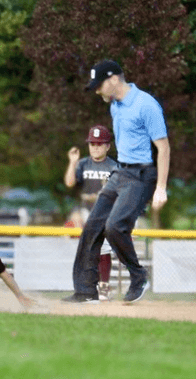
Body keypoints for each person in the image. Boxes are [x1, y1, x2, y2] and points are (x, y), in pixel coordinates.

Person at [62, 60, 169, 304]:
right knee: (91, 227)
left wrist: (160, 188)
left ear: (113, 80)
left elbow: (163, 149)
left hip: (142, 175)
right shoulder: (115, 105)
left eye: (99, 86)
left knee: (114, 227)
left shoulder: (146, 105)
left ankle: (139, 276)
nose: (97, 91)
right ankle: (86, 291)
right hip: (121, 173)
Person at [63, 124, 117, 301]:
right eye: (92, 144)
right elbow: (70, 182)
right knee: (86, 251)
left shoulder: (114, 166)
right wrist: (72, 162)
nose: (95, 147)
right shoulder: (84, 163)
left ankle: (104, 286)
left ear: (108, 146)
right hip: (86, 212)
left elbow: (118, 193)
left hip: (106, 213)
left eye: (100, 144)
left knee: (103, 250)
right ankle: (86, 289)